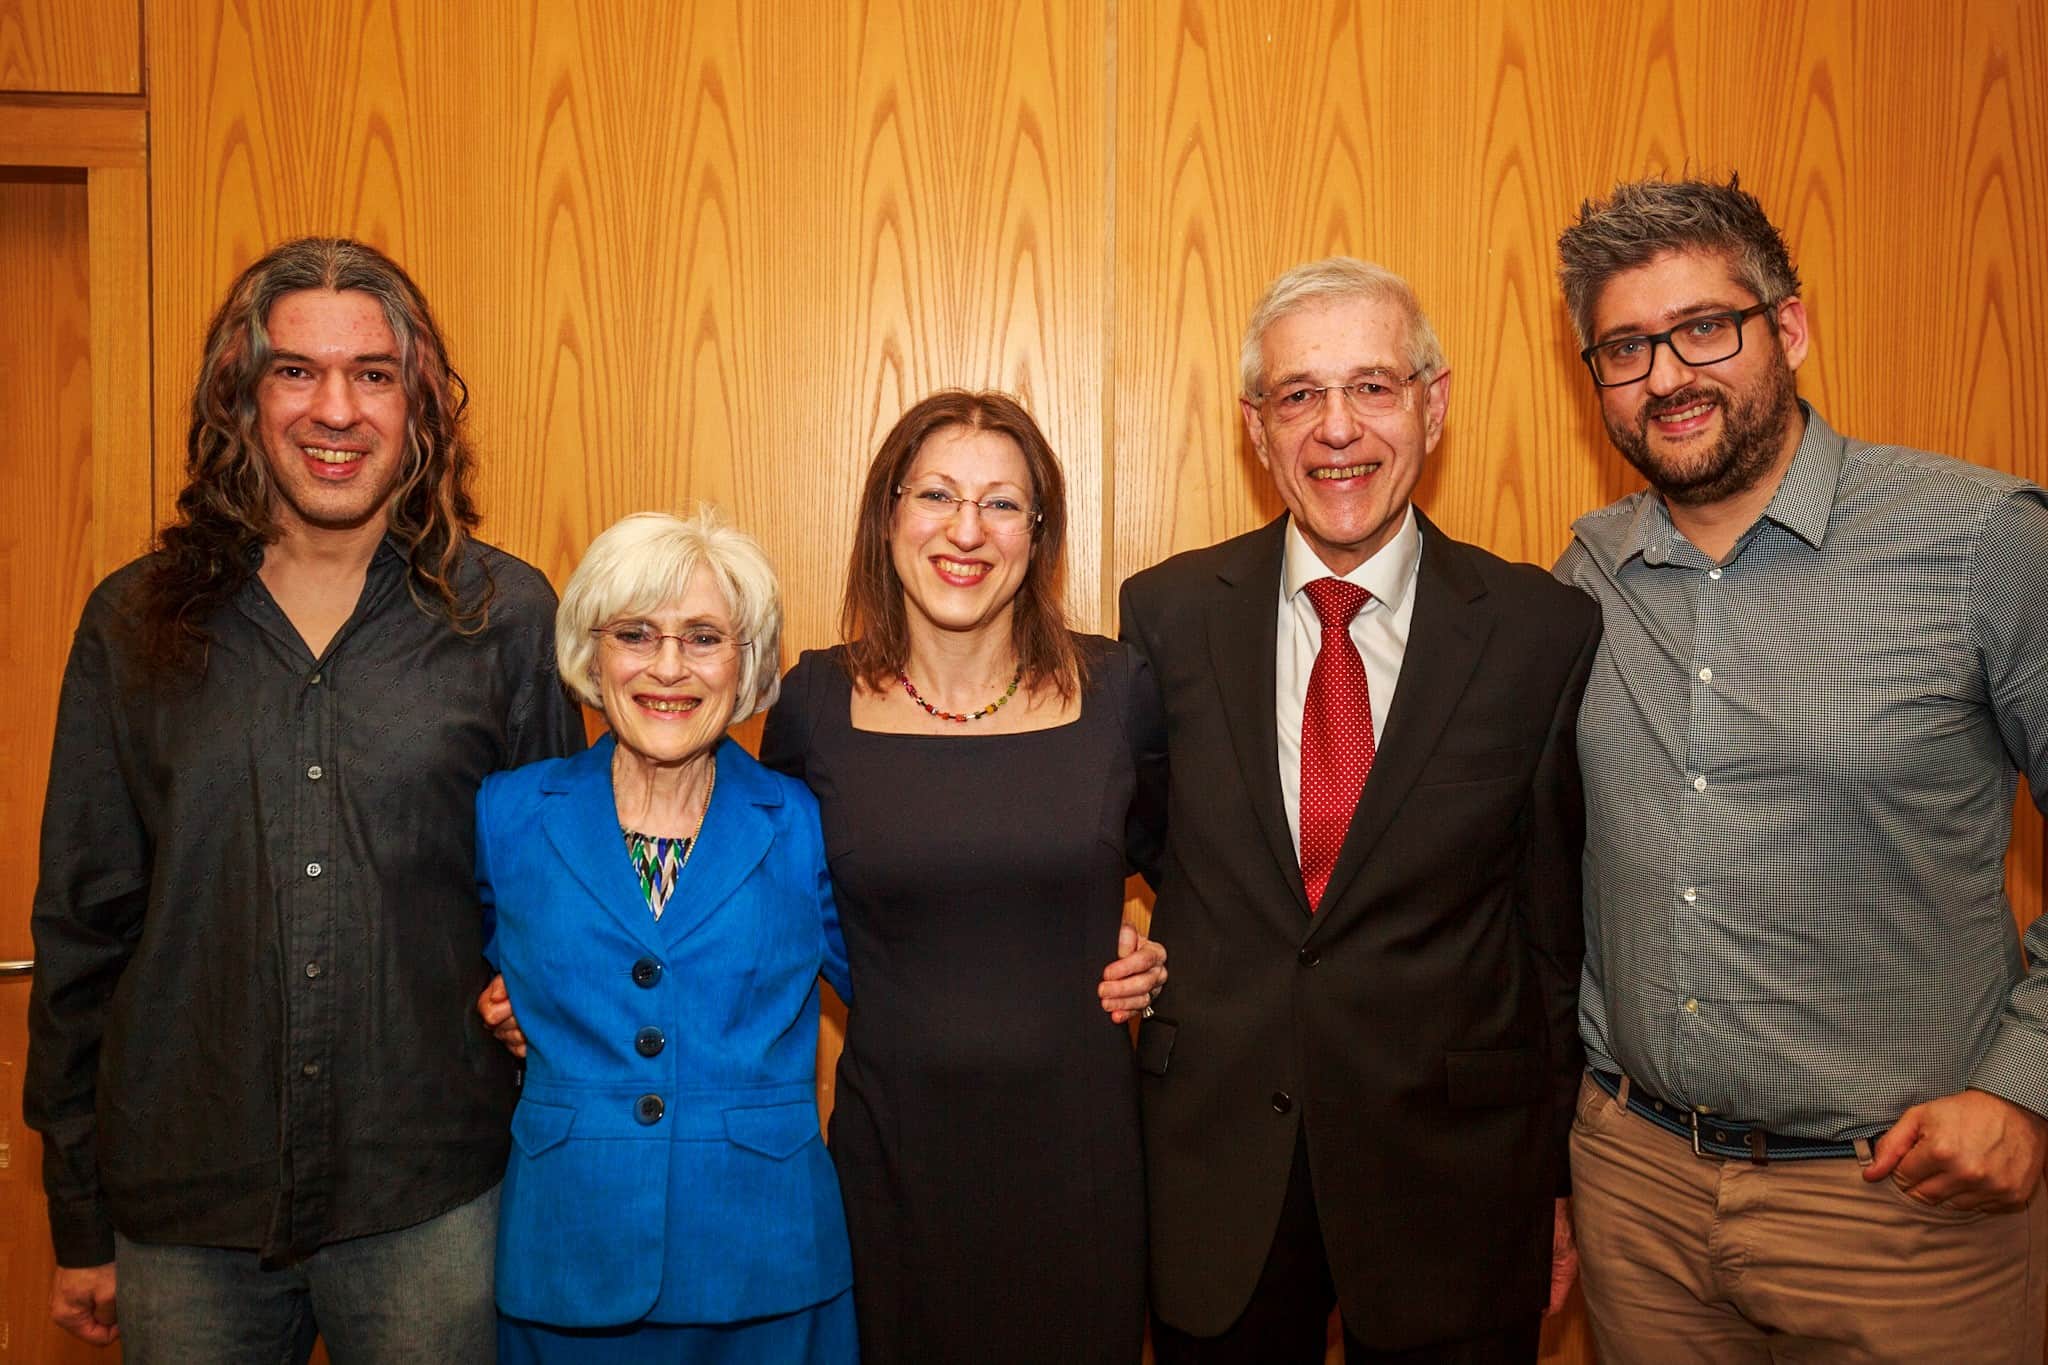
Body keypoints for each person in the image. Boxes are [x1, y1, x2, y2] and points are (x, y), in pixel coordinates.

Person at [25, 237, 584, 1360]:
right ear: (242, 393)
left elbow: (549, 905)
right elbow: (84, 926)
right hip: (188, 1209)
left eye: (372, 374)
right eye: (295, 371)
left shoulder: (507, 617)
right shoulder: (133, 624)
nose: (336, 409)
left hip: (431, 1198)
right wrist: (79, 1214)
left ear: (418, 402)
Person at [1554, 174, 2048, 1364]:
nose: (1665, 375)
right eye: (1624, 348)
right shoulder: (1581, 577)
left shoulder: (1983, 541)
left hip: (1897, 1213)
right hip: (1637, 1200)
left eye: (1702, 329)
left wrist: (2026, 1083)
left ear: (1788, 328)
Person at [1119, 257, 1601, 1363]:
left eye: (1372, 387)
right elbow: (1139, 845)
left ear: (1431, 405)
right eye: (1298, 396)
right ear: (1256, 428)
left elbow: (1555, 939)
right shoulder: (1166, 616)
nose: (1335, 429)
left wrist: (1560, 1182)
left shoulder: (1538, 632)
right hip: (1215, 1177)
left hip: (1456, 1191)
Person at [756, 389, 1166, 1364]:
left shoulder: (1118, 693)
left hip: (1082, 1172)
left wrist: (1161, 950)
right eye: (935, 495)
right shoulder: (813, 701)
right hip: (894, 1170)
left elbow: (1209, 874)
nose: (964, 531)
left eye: (999, 504)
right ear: (886, 515)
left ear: (1037, 532)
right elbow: (742, 900)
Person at [480, 509, 856, 1363]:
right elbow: (441, 963)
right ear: (591, 650)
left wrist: (1084, 944)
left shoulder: (804, 823)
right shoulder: (506, 815)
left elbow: (906, 984)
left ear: (747, 661)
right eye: (637, 633)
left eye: (704, 637)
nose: (668, 667)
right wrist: (491, 1001)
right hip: (568, 1264)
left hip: (770, 1270)